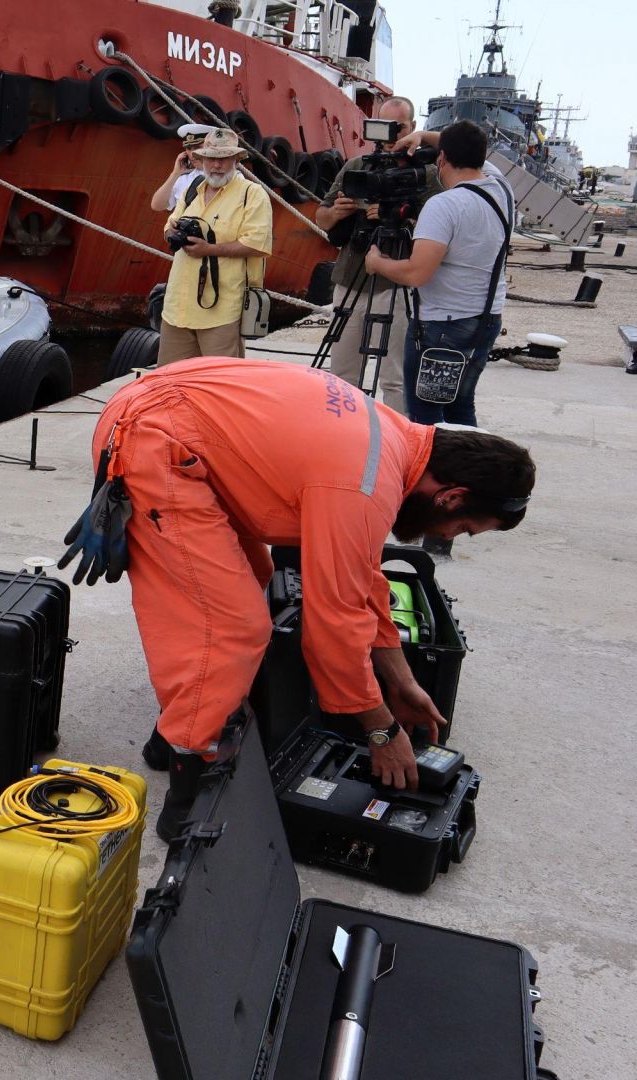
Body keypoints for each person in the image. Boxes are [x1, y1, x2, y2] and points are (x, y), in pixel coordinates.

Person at [63, 359, 533, 840]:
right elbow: (335, 622)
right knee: (229, 629)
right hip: (154, 438)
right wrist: (381, 732)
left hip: (177, 421)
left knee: (254, 579)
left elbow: (360, 581)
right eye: (464, 528)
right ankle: (187, 799)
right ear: (451, 497)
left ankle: (174, 734)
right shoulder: (363, 483)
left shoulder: (394, 443)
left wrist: (402, 682)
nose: (450, 535)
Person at [365, 120, 513, 429]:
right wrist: (421, 136)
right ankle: (470, 470)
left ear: (441, 158)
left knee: (425, 416)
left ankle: (432, 472)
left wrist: (377, 263)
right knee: (460, 405)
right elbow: (469, 151)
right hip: (487, 318)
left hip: (443, 327)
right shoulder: (501, 188)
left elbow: (417, 273)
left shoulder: (444, 205)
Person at [315, 97, 443, 408]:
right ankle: (345, 433)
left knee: (394, 376)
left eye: (398, 128)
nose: (390, 136)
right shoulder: (357, 166)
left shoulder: (424, 173)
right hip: (351, 277)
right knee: (343, 372)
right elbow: (321, 216)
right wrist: (337, 213)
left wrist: (401, 215)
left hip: (396, 281)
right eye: (383, 127)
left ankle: (398, 437)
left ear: (412, 128)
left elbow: (439, 224)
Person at [155, 128, 273, 366]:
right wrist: (173, 232)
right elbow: (168, 224)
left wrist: (209, 250)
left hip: (220, 311)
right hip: (178, 306)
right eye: (210, 158)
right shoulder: (192, 189)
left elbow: (257, 244)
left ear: (236, 160)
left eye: (224, 158)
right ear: (202, 160)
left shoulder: (252, 194)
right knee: (171, 381)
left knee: (219, 384)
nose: (216, 165)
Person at [147, 125, 214, 214]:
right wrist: (175, 174)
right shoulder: (184, 178)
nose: (192, 153)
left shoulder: (230, 177)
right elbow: (157, 205)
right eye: (189, 148)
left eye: (198, 147)